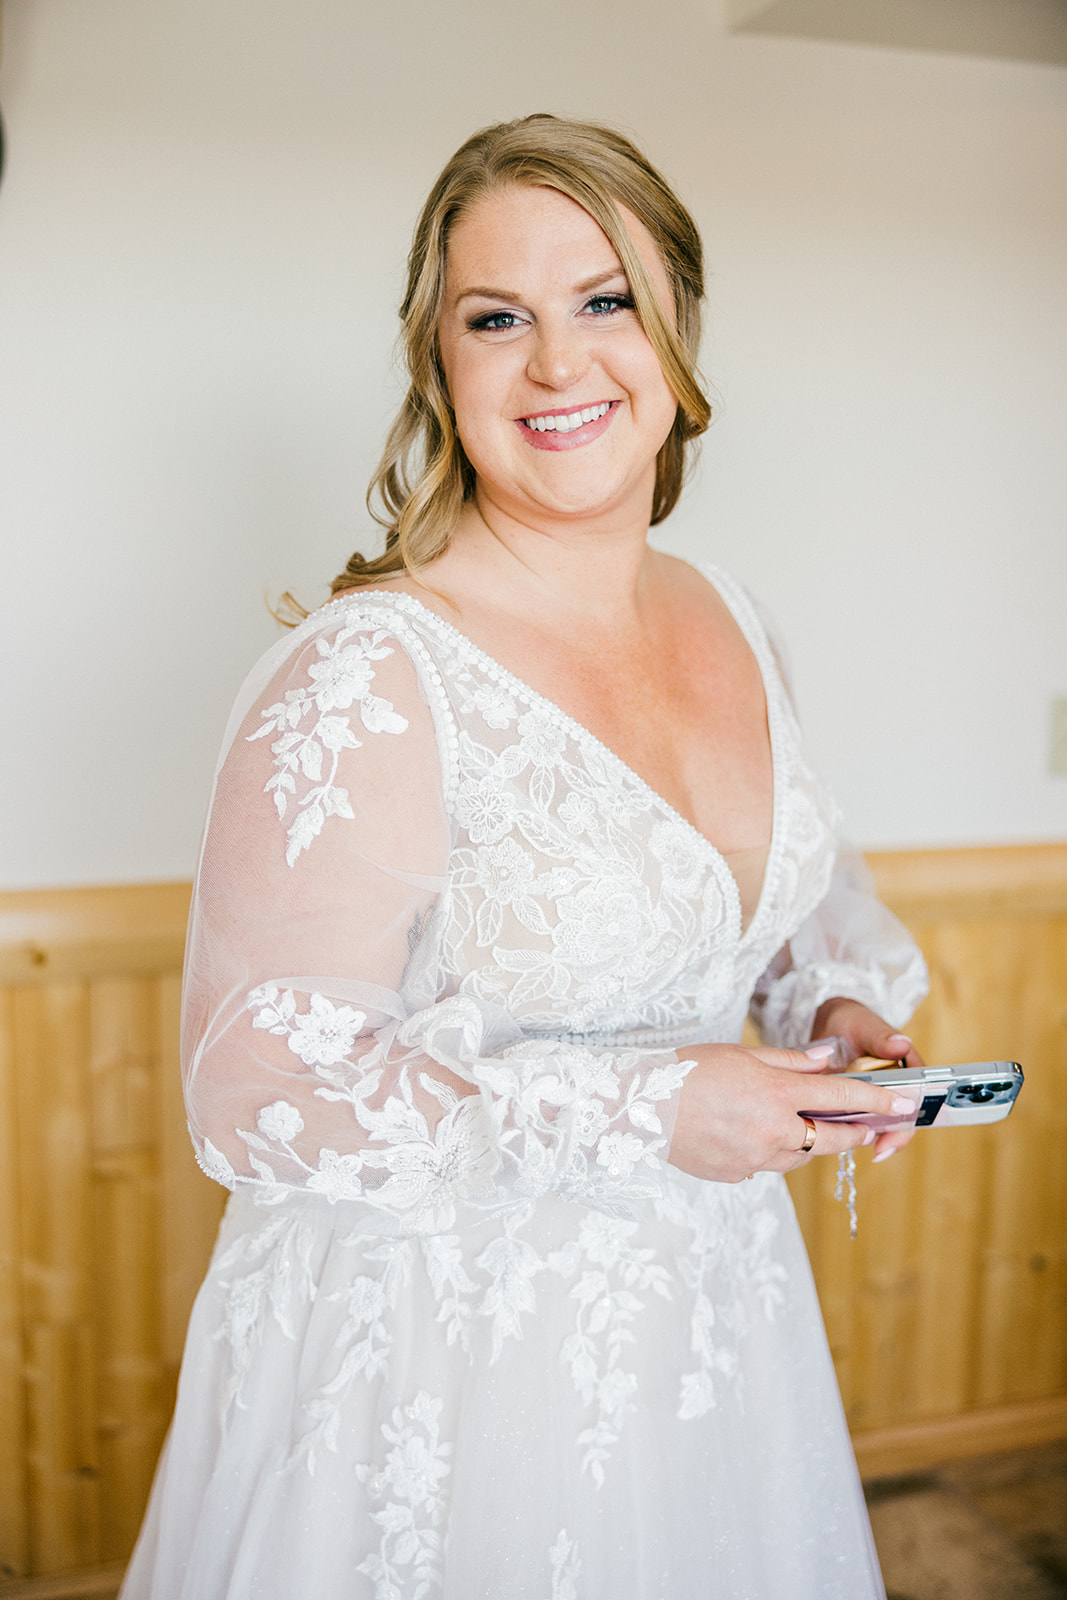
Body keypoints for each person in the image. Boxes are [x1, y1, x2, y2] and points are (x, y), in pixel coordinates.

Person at [122, 114, 929, 1600]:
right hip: (446, 1374)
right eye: (498, 319)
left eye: (602, 299)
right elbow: (259, 1095)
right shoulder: (368, 675)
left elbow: (788, 906)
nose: (557, 364)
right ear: (441, 368)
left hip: (716, 1335)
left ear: (678, 326)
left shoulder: (737, 621)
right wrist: (640, 1115)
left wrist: (830, 1013)